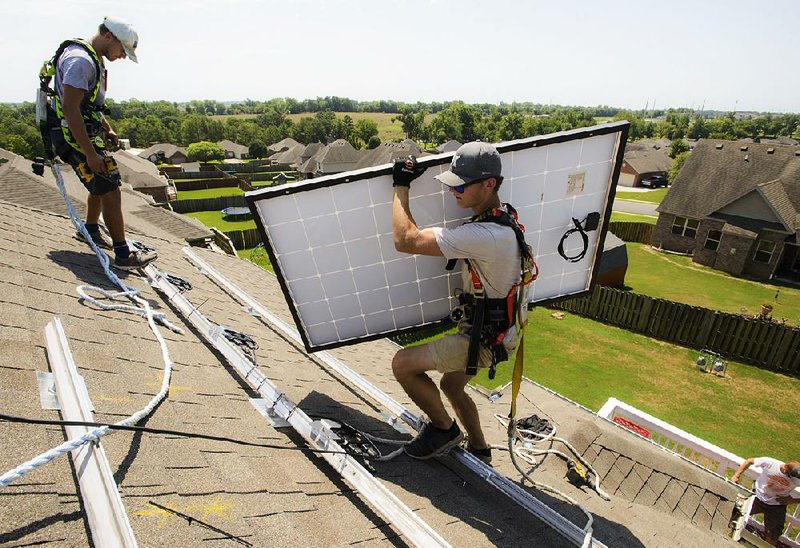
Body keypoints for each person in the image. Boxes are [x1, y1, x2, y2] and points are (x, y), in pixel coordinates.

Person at [390, 142, 525, 464]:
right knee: (452, 387)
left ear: (489, 184)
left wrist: (400, 185)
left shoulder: (488, 235)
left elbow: (405, 240)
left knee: (403, 365)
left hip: (485, 339)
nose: (454, 192)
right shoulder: (503, 217)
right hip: (499, 333)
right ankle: (480, 448)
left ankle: (443, 430)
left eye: (460, 185)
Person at [40, 16, 157, 270]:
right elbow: (71, 109)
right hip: (71, 135)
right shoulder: (81, 62)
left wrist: (106, 128)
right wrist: (90, 153)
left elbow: (87, 105)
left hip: (79, 132)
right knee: (110, 189)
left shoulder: (92, 58)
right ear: (108, 37)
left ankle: (90, 230)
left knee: (101, 180)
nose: (123, 56)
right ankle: (124, 256)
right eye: (122, 50)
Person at [732, 457, 800, 545]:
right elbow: (749, 461)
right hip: (757, 497)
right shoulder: (771, 463)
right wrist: (736, 475)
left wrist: (792, 500)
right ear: (786, 469)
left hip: (776, 505)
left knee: (774, 533)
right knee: (736, 513)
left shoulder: (798, 479)